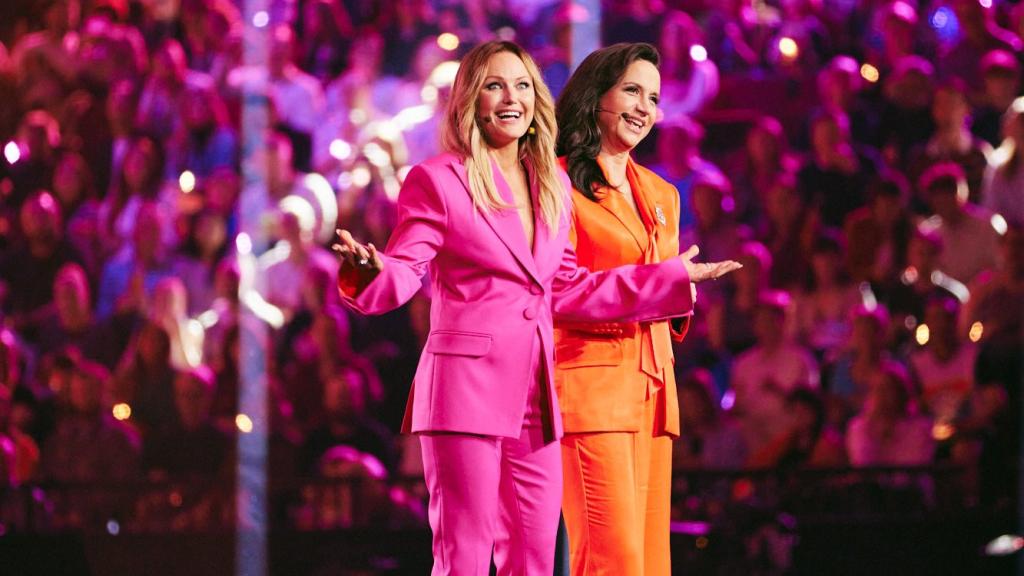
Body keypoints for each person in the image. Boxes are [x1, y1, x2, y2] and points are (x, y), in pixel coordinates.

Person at [333, 40, 739, 576]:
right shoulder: (438, 180)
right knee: (467, 556)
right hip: (466, 392)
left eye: (523, 85)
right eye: (495, 85)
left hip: (538, 400)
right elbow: (406, 272)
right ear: (471, 101)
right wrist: (369, 269)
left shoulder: (551, 186)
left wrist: (669, 280)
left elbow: (567, 287)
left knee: (536, 560)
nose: (511, 98)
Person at [552, 42, 710, 576]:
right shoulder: (555, 184)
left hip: (653, 393)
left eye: (654, 97)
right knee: (610, 562)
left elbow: (662, 288)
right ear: (596, 95)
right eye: (632, 91)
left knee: (648, 566)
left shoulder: (663, 194)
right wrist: (664, 281)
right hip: (591, 391)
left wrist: (681, 292)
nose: (645, 107)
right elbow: (561, 290)